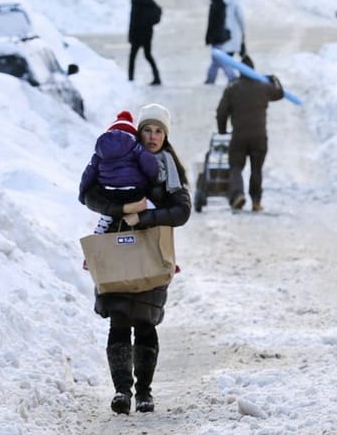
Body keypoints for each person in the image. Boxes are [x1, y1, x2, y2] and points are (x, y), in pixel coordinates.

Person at [82, 103, 191, 415]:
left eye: (159, 131)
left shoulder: (166, 166)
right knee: (118, 320)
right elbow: (90, 195)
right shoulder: (116, 161)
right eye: (148, 130)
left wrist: (144, 217)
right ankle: (121, 392)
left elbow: (181, 211)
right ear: (138, 132)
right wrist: (120, 210)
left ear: (165, 135)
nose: (153, 136)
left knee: (145, 322)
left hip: (151, 252)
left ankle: (144, 392)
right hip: (115, 250)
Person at [216, 55, 284, 212]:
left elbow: (221, 112)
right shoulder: (263, 87)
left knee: (236, 167)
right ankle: (256, 201)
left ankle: (238, 194)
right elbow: (280, 93)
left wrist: (222, 129)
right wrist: (274, 79)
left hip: (239, 136)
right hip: (259, 137)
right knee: (256, 169)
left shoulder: (232, 88)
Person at [78, 110, 161, 235]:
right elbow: (150, 165)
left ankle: (106, 218)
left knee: (107, 205)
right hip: (134, 191)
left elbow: (88, 173)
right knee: (150, 205)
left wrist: (83, 194)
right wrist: (153, 180)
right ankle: (147, 227)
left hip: (108, 192)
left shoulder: (101, 150)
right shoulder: (136, 147)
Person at [204, 0, 245, 85]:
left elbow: (214, 23)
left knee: (220, 59)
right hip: (227, 36)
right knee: (217, 60)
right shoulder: (220, 3)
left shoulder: (218, 4)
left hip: (220, 37)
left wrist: (210, 37)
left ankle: (232, 78)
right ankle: (210, 80)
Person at [129, 0, 163, 86]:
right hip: (145, 32)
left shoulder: (138, 0)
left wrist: (148, 22)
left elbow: (133, 19)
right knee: (146, 55)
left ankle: (130, 79)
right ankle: (156, 77)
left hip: (140, 33)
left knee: (136, 56)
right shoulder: (143, 0)